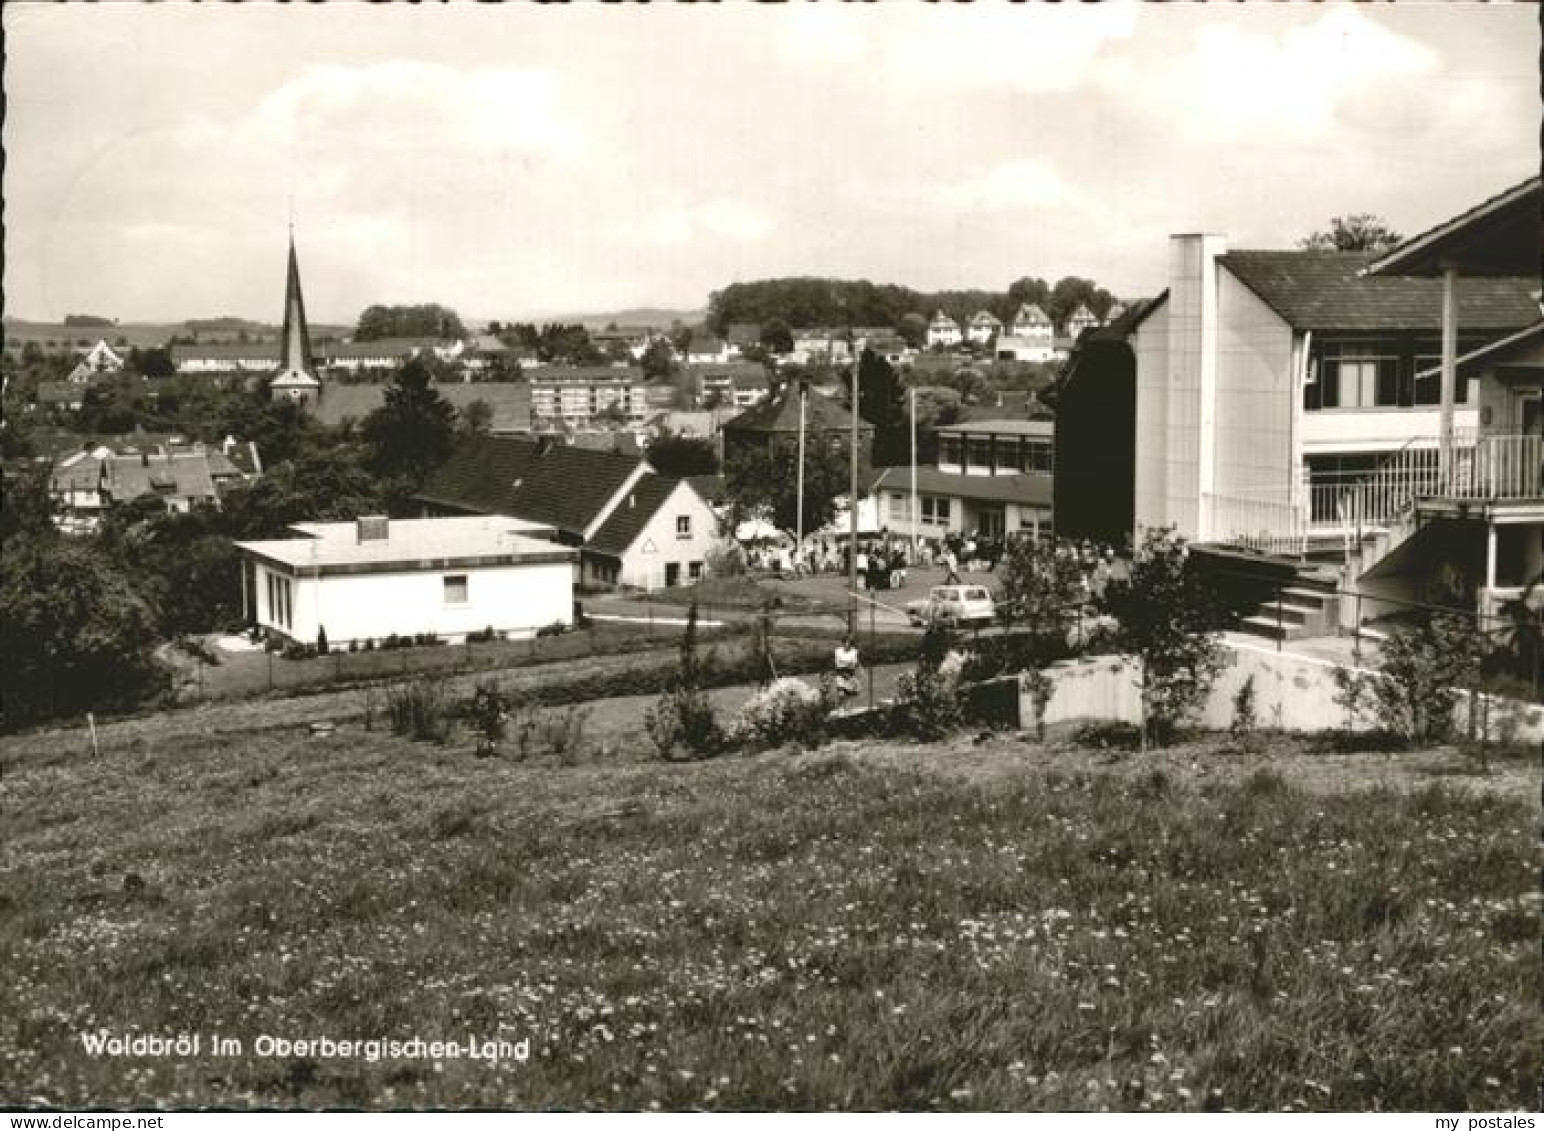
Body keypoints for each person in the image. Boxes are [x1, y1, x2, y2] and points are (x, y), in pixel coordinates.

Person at [833, 635, 861, 700]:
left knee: (854, 692)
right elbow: (837, 664)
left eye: (849, 643)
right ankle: (841, 706)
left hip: (850, 674)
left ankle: (847, 707)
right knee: (841, 694)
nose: (846, 644)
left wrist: (846, 664)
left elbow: (854, 664)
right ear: (842, 643)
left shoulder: (854, 651)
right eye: (845, 642)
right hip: (841, 674)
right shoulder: (838, 651)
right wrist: (847, 664)